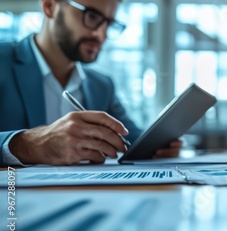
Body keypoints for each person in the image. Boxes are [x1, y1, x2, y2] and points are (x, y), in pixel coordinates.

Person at [0, 0, 181, 166]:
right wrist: (28, 145)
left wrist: (158, 147)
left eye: (108, 23)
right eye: (92, 16)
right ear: (50, 6)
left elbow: (131, 140)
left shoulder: (101, 85)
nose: (101, 35)